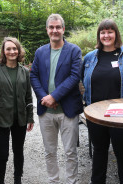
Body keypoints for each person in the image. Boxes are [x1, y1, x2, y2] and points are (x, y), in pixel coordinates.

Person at [30, 13, 83, 184]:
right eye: (51, 27)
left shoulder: (74, 50)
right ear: (47, 30)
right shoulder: (40, 52)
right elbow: (34, 76)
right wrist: (45, 98)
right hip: (46, 111)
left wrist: (54, 96)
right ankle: (53, 181)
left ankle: (72, 181)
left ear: (63, 29)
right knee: (50, 151)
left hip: (68, 110)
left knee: (70, 152)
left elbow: (75, 77)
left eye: (58, 27)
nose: (55, 30)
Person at [82, 19, 123, 184]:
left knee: (122, 153)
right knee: (99, 151)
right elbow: (82, 80)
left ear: (116, 34)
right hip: (96, 114)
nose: (106, 35)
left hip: (120, 115)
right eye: (103, 32)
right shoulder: (90, 57)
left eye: (110, 32)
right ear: (99, 35)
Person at [0, 37, 34, 184]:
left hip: (20, 119)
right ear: (4, 51)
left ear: (18, 51)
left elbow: (28, 96)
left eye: (15, 49)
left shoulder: (24, 71)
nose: (12, 51)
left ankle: (17, 179)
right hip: (1, 119)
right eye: (8, 49)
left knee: (18, 152)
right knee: (2, 155)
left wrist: (30, 117)